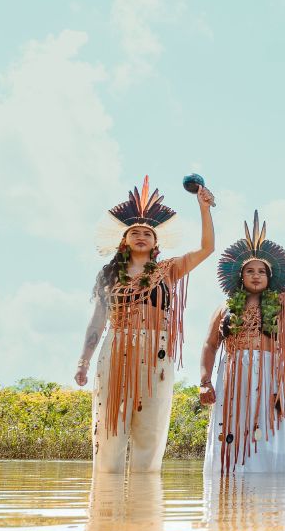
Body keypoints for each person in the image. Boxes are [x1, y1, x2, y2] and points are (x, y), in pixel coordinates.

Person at [76, 176, 215, 474]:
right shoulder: (110, 274)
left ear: (156, 242)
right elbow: (98, 320)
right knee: (110, 427)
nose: (141, 236)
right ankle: (106, 507)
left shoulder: (168, 270)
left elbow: (206, 249)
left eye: (147, 233)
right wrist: (83, 362)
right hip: (116, 349)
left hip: (156, 352)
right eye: (134, 232)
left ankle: (145, 507)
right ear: (124, 240)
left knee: (150, 430)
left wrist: (204, 208)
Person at [198, 211, 285, 476]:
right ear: (240, 276)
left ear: (270, 276)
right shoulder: (225, 308)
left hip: (270, 375)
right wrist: (205, 381)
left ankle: (269, 499)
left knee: (268, 430)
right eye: (249, 271)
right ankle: (227, 489)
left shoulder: (282, 303)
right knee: (231, 429)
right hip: (232, 375)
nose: (255, 275)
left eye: (261, 271)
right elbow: (209, 344)